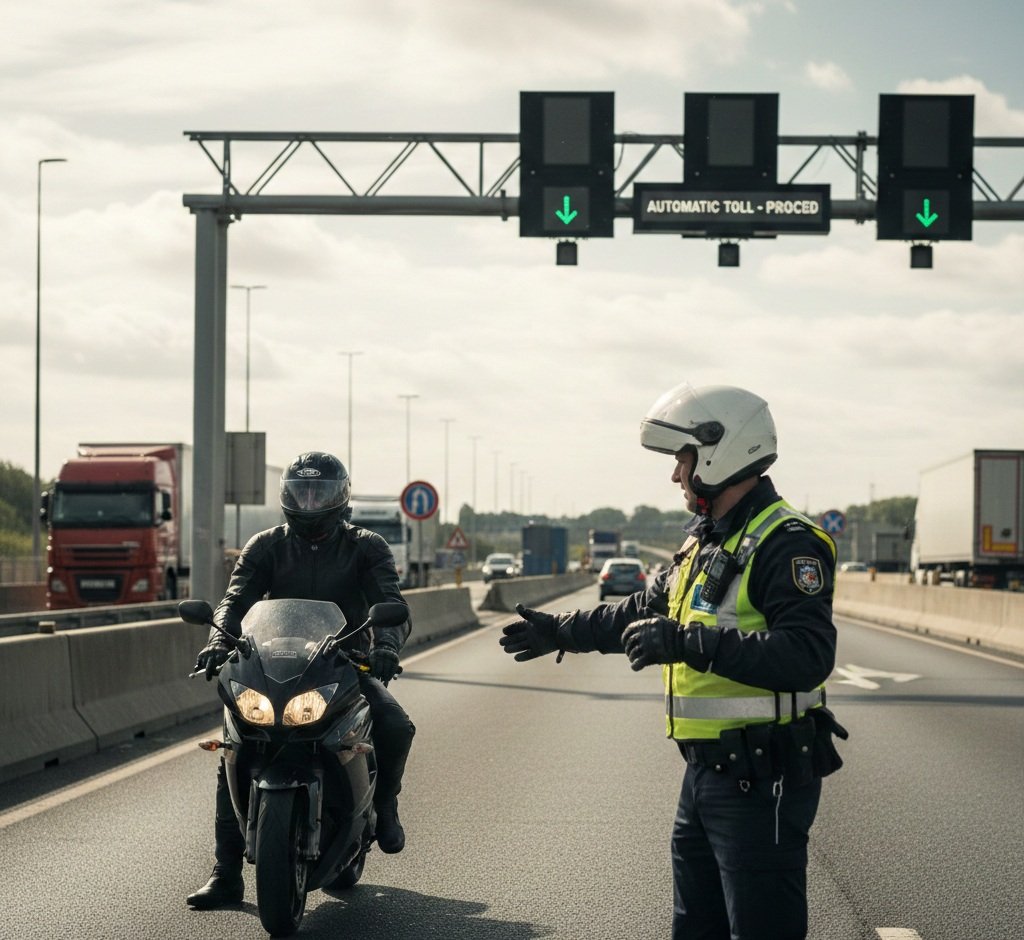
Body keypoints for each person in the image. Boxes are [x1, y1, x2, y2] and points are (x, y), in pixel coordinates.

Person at [499, 383, 847, 940]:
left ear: (718, 450)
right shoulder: (705, 542)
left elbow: (807, 656)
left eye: (681, 459)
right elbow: (640, 610)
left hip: (762, 778)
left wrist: (686, 642)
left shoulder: (787, 542)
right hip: (705, 775)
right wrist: (559, 631)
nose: (676, 474)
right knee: (694, 929)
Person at [187, 451, 416, 910]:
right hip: (271, 664)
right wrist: (218, 639)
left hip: (344, 662)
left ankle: (384, 805)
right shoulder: (265, 545)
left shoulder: (366, 546)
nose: (310, 502)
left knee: (395, 725)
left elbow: (390, 603)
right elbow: (236, 599)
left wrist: (386, 647)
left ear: (341, 497)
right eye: (301, 491)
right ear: (287, 495)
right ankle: (225, 873)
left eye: (321, 493)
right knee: (235, 745)